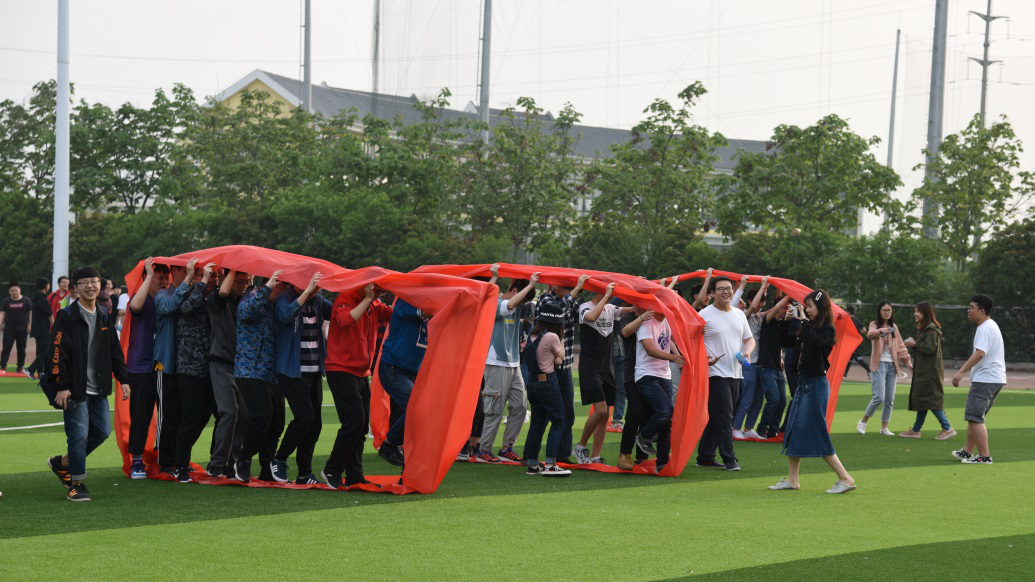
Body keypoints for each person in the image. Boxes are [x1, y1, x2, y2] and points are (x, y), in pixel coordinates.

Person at [45, 266, 132, 502]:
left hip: (99, 386)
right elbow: (56, 352)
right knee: (78, 435)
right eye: (84, 282)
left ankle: (62, 463)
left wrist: (123, 378)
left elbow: (114, 349)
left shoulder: (103, 314)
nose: (90, 286)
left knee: (102, 431)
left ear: (100, 285)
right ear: (76, 288)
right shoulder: (67, 316)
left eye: (94, 281)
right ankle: (76, 484)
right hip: (75, 387)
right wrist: (61, 385)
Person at [768, 289, 856, 494]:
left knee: (817, 432)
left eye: (809, 306)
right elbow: (785, 341)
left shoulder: (827, 329)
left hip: (816, 386)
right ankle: (793, 479)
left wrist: (802, 321)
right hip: (804, 384)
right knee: (792, 429)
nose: (806, 309)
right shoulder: (808, 327)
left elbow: (816, 342)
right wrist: (785, 321)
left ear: (820, 307)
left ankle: (845, 478)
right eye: (805, 306)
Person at [322, 283, 393, 488]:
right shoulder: (346, 298)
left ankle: (354, 474)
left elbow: (393, 315)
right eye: (377, 290)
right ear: (367, 286)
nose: (379, 295)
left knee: (360, 426)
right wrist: (369, 299)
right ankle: (332, 469)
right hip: (341, 369)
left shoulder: (374, 303)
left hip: (361, 371)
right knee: (354, 422)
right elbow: (344, 320)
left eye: (383, 292)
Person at [271, 273, 329, 485]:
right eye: (313, 285)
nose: (317, 290)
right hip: (291, 371)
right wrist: (307, 292)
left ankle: (305, 473)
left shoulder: (318, 300)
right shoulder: (284, 298)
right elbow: (285, 315)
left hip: (314, 371)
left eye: (318, 286)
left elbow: (340, 313)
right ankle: (279, 459)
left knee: (314, 424)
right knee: (304, 417)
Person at [477, 273, 540, 464]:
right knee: (494, 410)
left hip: (514, 364)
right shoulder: (494, 303)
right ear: (515, 291)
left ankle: (507, 448)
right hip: (496, 363)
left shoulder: (519, 307)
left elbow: (527, 306)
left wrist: (531, 287)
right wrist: (529, 286)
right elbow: (510, 304)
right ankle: (484, 450)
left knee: (520, 407)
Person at [696, 276, 754, 471]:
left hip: (736, 372)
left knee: (719, 416)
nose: (726, 292)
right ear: (712, 293)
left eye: (728, 288)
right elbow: (692, 341)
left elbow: (749, 339)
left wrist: (747, 352)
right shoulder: (704, 315)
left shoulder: (739, 314)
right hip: (714, 373)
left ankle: (705, 456)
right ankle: (730, 459)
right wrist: (704, 358)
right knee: (725, 416)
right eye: (720, 289)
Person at [234, 270, 287, 482]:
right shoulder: (252, 296)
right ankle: (244, 459)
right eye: (282, 286)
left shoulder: (277, 305)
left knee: (277, 422)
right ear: (271, 283)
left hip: (272, 373)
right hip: (250, 370)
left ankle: (267, 468)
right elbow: (245, 312)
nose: (285, 291)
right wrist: (266, 290)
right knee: (262, 415)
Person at [573, 282, 632, 464]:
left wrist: (637, 291)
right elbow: (591, 317)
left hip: (606, 368)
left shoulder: (611, 308)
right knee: (599, 410)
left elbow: (633, 310)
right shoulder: (585, 307)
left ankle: (595, 456)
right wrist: (606, 296)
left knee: (605, 414)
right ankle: (580, 447)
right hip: (590, 367)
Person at [171, 262, 218, 482]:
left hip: (210, 367)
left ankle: (210, 461)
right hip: (189, 367)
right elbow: (186, 309)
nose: (211, 279)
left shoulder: (214, 298)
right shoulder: (189, 294)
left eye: (214, 275)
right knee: (190, 418)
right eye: (206, 275)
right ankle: (180, 464)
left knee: (209, 415)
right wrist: (203, 282)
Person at [535, 274, 589, 463]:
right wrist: (575, 290)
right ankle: (531, 455)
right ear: (560, 287)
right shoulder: (545, 299)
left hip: (564, 366)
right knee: (543, 415)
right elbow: (557, 309)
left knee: (567, 413)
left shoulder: (570, 301)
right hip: (547, 367)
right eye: (571, 289)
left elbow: (582, 316)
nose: (574, 294)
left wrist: (608, 297)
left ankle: (562, 455)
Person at [950, 294, 1007, 464]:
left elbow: (980, 353)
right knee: (975, 417)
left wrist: (961, 372)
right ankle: (968, 451)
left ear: (982, 311)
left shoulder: (984, 328)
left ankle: (984, 456)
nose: (968, 310)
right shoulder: (991, 325)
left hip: (986, 379)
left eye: (972, 307)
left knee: (974, 417)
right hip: (994, 378)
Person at [125, 258, 169, 478]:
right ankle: (137, 460)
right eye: (159, 278)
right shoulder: (141, 298)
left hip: (162, 365)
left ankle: (165, 456)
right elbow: (135, 307)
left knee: (167, 414)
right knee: (141, 415)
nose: (164, 282)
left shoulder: (166, 299)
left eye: (166, 278)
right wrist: (149, 275)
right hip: (140, 367)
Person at [153, 259, 198, 474]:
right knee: (167, 416)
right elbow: (170, 307)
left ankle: (180, 458)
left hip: (186, 365)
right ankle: (165, 463)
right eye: (187, 270)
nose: (191, 274)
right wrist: (188, 281)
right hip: (165, 364)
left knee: (185, 416)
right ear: (175, 271)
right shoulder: (163, 294)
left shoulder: (191, 293)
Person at [206, 269, 251, 479]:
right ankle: (216, 463)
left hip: (241, 365)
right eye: (239, 281)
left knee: (244, 415)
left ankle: (232, 464)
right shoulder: (216, 299)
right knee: (229, 412)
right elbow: (223, 292)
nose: (244, 285)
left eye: (246, 281)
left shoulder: (245, 301)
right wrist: (233, 267)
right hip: (220, 362)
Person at [520, 301, 572, 476]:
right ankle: (550, 464)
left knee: (537, 423)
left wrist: (555, 358)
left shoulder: (532, 334)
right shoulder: (552, 336)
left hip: (532, 383)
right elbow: (561, 354)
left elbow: (547, 356)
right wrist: (560, 345)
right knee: (559, 420)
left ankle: (532, 463)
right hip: (547, 382)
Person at [632, 306, 684, 473]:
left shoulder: (667, 322)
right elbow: (650, 349)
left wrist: (680, 356)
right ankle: (644, 436)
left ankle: (662, 463)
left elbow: (670, 340)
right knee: (665, 410)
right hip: (647, 375)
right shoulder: (647, 323)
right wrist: (673, 357)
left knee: (667, 421)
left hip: (664, 375)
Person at [899, 302, 955, 440]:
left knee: (931, 400)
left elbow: (930, 349)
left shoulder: (931, 330)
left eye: (917, 311)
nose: (915, 314)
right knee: (923, 400)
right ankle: (916, 430)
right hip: (926, 371)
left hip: (930, 373)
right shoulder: (926, 329)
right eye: (915, 311)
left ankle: (947, 428)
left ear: (925, 313)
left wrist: (915, 344)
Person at [857, 301, 912, 436]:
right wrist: (880, 331)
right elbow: (870, 335)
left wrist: (908, 362)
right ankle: (863, 422)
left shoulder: (894, 327)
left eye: (889, 310)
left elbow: (901, 346)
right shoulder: (874, 325)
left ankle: (884, 427)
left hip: (892, 365)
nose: (887, 312)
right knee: (879, 397)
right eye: (884, 310)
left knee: (889, 399)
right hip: (879, 364)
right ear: (879, 311)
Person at [732, 277, 770, 439]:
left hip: (758, 363)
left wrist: (768, 288)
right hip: (747, 363)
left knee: (758, 398)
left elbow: (773, 309)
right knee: (746, 398)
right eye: (760, 301)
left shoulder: (758, 317)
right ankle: (735, 428)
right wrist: (762, 286)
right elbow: (753, 306)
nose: (761, 304)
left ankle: (748, 428)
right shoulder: (742, 315)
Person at [754, 294, 793, 440]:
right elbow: (776, 307)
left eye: (789, 308)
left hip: (777, 367)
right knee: (774, 399)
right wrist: (789, 294)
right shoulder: (768, 320)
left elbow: (781, 343)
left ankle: (773, 430)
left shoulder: (783, 324)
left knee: (782, 401)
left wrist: (781, 357)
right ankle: (761, 429)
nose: (786, 310)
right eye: (785, 307)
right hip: (765, 365)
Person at [26, 278, 54, 379]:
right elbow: (49, 314)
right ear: (46, 285)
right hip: (43, 329)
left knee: (40, 351)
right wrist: (55, 326)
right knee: (47, 351)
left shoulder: (36, 298)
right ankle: (30, 369)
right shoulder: (43, 299)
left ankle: (40, 372)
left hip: (37, 329)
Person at [1, 282, 31, 374]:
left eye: (16, 290)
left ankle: (20, 367)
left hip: (22, 329)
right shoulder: (6, 301)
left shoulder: (26, 300)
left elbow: (31, 313)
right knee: (6, 348)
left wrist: (30, 325)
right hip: (9, 329)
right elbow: (2, 313)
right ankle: (3, 367)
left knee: (21, 349)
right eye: (12, 291)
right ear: (9, 291)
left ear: (19, 290)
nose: (14, 292)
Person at [842, 305, 871, 377]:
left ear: (848, 312)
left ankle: (869, 371)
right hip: (857, 342)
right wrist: (858, 333)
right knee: (850, 357)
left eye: (846, 311)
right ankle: (845, 373)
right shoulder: (857, 320)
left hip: (852, 343)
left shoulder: (849, 320)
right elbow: (864, 330)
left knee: (858, 358)